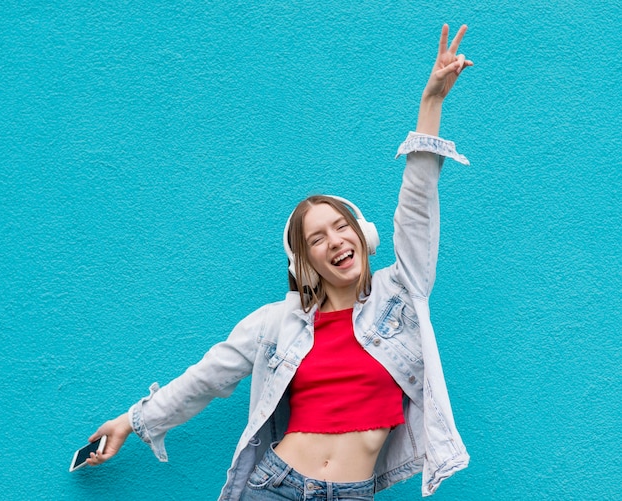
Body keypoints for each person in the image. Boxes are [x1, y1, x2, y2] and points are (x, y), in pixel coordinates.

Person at [86, 23, 473, 500]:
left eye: (341, 227)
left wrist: (431, 103)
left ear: (362, 236)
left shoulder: (402, 295)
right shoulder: (277, 324)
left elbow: (416, 205)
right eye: (317, 239)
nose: (334, 241)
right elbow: (206, 378)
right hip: (275, 486)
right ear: (305, 262)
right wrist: (131, 421)